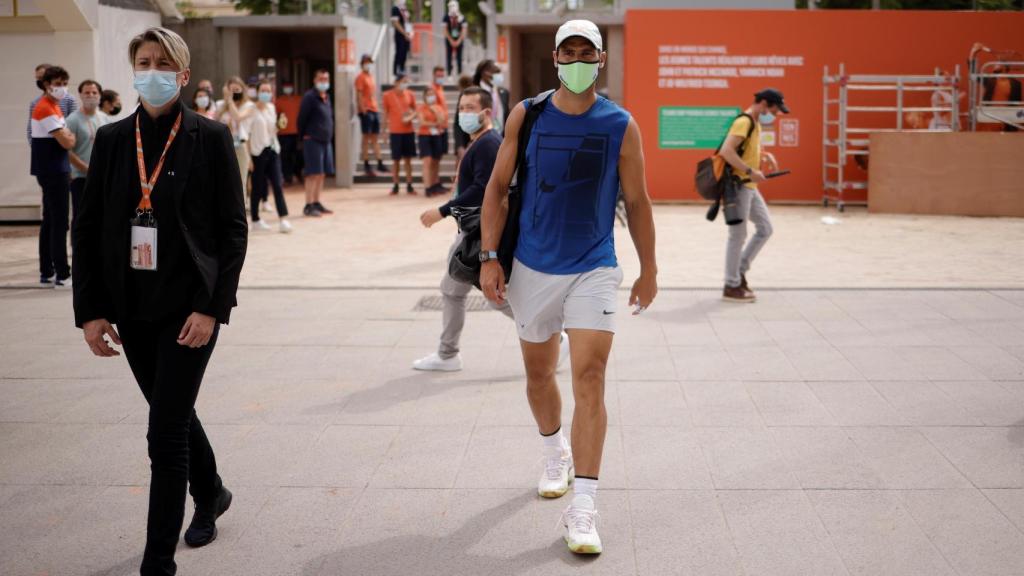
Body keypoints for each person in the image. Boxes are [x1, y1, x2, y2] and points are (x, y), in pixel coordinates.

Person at [71, 27, 247, 576]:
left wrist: (213, 308)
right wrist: (92, 310)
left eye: (162, 63)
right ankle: (212, 490)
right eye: (143, 61)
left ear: (184, 74)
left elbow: (232, 231)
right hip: (132, 307)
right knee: (173, 411)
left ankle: (157, 560)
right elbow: (90, 225)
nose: (152, 70)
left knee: (164, 431)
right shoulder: (114, 140)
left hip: (190, 308)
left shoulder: (211, 138)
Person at [479, 20, 657, 555]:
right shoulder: (527, 115)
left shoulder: (620, 124)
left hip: (594, 266)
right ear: (556, 58)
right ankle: (553, 447)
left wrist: (649, 269)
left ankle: (584, 507)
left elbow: (639, 202)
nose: (577, 60)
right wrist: (490, 257)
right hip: (532, 266)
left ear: (601, 60)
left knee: (590, 375)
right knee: (539, 375)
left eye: (587, 53)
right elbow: (496, 188)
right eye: (568, 52)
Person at [414, 87, 570, 372]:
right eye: (462, 107)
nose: (464, 113)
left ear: (487, 113)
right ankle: (449, 353)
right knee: (464, 292)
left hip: (478, 234)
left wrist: (442, 211)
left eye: (471, 108)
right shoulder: (482, 142)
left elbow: (483, 190)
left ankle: (552, 337)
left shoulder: (488, 144)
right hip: (473, 232)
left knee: (486, 295)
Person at [716, 88, 788, 303]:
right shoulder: (744, 122)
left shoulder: (755, 123)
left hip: (750, 187)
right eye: (774, 111)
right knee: (737, 235)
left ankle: (739, 271)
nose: (774, 116)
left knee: (765, 229)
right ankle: (731, 284)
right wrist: (750, 171)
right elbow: (726, 151)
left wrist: (766, 155)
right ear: (764, 103)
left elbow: (745, 150)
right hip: (740, 186)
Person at [32, 65, 77, 288]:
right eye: (57, 84)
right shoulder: (45, 108)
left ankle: (47, 271)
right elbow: (68, 141)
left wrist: (67, 135)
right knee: (59, 222)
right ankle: (62, 273)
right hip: (53, 170)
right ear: (47, 85)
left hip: (53, 168)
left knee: (51, 220)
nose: (61, 88)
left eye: (64, 83)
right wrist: (68, 135)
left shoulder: (54, 106)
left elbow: (66, 136)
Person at [248, 80, 292, 233]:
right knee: (258, 187)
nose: (266, 93)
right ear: (258, 92)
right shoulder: (251, 110)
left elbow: (273, 130)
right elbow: (246, 135)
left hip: (273, 150)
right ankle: (255, 219)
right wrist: (248, 159)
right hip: (257, 152)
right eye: (263, 90)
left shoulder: (272, 108)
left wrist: (280, 125)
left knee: (278, 185)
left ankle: (283, 219)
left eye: (269, 91)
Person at [66, 79, 110, 230]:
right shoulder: (73, 120)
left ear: (100, 95)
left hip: (103, 177)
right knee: (81, 216)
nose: (90, 95)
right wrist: (86, 168)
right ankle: (78, 251)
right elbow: (67, 151)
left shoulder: (104, 118)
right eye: (87, 92)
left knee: (102, 216)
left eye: (94, 92)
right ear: (80, 95)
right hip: (81, 177)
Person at [297, 69, 335, 216]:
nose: (323, 82)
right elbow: (301, 119)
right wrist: (303, 136)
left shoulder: (327, 97)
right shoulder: (309, 97)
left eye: (326, 79)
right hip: (312, 140)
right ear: (314, 80)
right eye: (321, 79)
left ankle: (317, 202)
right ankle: (308, 204)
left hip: (325, 141)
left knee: (321, 173)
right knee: (312, 173)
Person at [216, 76, 257, 203]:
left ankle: (241, 214)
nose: (234, 93)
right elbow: (215, 121)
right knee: (223, 180)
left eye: (237, 89)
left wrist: (229, 101)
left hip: (241, 145)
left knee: (240, 181)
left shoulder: (249, 105)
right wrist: (225, 103)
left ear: (243, 90)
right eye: (231, 90)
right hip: (223, 145)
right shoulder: (219, 104)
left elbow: (238, 117)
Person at [382, 73, 418, 195]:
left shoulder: (410, 94)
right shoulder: (387, 95)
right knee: (396, 160)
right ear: (396, 82)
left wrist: (410, 117)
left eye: (406, 82)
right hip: (395, 132)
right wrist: (384, 131)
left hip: (408, 131)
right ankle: (396, 185)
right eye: (403, 81)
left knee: (408, 160)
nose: (405, 84)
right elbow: (385, 114)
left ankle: (409, 185)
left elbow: (416, 110)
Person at [28, 63, 78, 144]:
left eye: (43, 77)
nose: (40, 81)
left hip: (63, 147)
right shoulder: (37, 103)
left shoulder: (68, 99)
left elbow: (73, 124)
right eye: (38, 78)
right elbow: (31, 130)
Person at [355, 54, 386, 177]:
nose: (368, 64)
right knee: (366, 138)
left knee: (374, 137)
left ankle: (379, 161)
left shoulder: (370, 77)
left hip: (374, 108)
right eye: (366, 62)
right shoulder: (360, 77)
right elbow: (359, 94)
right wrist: (363, 110)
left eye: (370, 62)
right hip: (366, 110)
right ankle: (366, 163)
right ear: (362, 63)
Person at [416, 86, 446, 196]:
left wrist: (435, 112)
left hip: (436, 135)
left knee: (435, 161)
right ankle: (427, 187)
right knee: (427, 161)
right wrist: (435, 123)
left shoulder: (438, 107)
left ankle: (434, 184)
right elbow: (422, 122)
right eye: (428, 94)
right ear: (424, 96)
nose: (431, 96)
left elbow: (442, 120)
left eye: (432, 94)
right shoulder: (421, 108)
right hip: (424, 135)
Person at [275, 82, 304, 186]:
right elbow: (275, 116)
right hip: (284, 133)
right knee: (285, 156)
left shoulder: (299, 99)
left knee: (299, 155)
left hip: (297, 132)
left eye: (289, 87)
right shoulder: (278, 101)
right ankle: (288, 177)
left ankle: (297, 172)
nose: (288, 89)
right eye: (286, 87)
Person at [474, 59, 510, 134]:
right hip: (479, 138)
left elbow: (506, 116)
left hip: (500, 138)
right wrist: (461, 144)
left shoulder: (504, 92)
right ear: (484, 73)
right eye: (496, 72)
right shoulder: (473, 92)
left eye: (499, 72)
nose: (499, 75)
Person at [452, 74, 474, 164]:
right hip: (464, 136)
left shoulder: (473, 97)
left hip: (472, 135)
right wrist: (459, 145)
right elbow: (457, 122)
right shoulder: (463, 96)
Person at [443, 1, 467, 77]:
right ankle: (449, 73)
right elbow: (445, 29)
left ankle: (459, 73)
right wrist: (450, 40)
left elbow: (464, 30)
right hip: (449, 39)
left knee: (459, 57)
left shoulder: (462, 17)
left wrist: (459, 40)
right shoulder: (446, 17)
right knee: (449, 56)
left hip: (459, 39)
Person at [391, 0, 413, 77]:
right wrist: (404, 33)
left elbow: (407, 22)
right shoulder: (395, 9)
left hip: (407, 35)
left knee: (405, 52)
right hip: (400, 35)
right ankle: (396, 70)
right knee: (399, 52)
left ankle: (402, 69)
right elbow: (395, 23)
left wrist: (409, 33)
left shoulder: (405, 9)